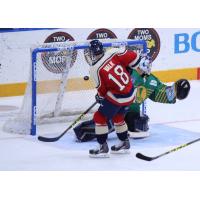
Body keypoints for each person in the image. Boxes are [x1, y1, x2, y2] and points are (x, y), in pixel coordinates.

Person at [74, 51, 190, 143]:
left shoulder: (151, 81)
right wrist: (103, 96)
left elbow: (162, 94)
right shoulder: (128, 73)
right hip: (116, 108)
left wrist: (177, 90)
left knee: (140, 124)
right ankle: (85, 131)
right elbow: (109, 84)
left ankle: (121, 131)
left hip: (129, 112)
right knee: (98, 126)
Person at [87, 39, 142, 158]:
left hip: (118, 97)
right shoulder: (113, 52)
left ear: (91, 53)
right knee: (118, 117)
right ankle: (124, 143)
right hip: (131, 93)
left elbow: (102, 90)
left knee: (99, 117)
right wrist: (129, 67)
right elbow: (134, 57)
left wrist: (100, 97)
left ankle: (102, 147)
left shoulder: (94, 69)